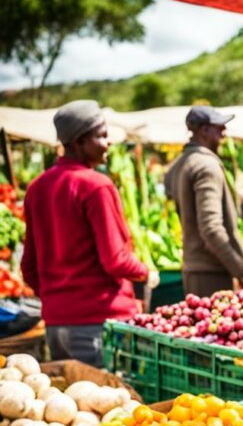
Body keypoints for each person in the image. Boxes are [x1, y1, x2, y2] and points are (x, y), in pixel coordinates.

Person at [22, 100, 156, 366]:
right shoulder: (96, 186)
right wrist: (146, 273)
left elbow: (29, 267)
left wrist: (57, 299)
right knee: (112, 404)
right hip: (98, 323)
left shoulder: (37, 188)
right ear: (79, 142)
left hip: (57, 326)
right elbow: (115, 259)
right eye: (101, 136)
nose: (107, 143)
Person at [165, 106, 243, 298]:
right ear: (204, 130)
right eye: (219, 128)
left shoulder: (180, 164)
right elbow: (211, 228)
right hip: (211, 270)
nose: (224, 133)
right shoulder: (206, 165)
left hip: (194, 267)